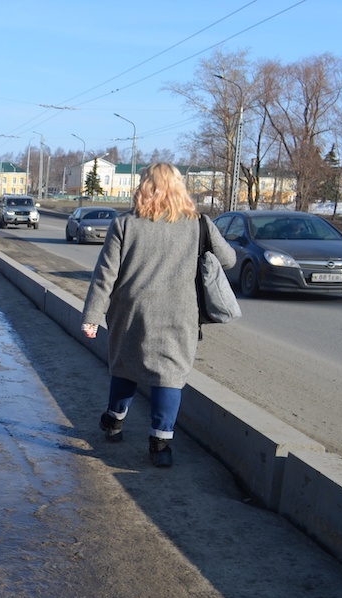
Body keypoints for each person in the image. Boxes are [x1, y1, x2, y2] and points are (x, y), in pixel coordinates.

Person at [80, 162, 236, 468]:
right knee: (170, 376)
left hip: (131, 311)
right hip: (180, 314)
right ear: (179, 187)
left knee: (126, 366)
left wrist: (92, 316)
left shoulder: (125, 224)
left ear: (145, 187)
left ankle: (113, 421)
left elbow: (105, 276)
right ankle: (161, 445)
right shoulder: (199, 223)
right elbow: (228, 260)